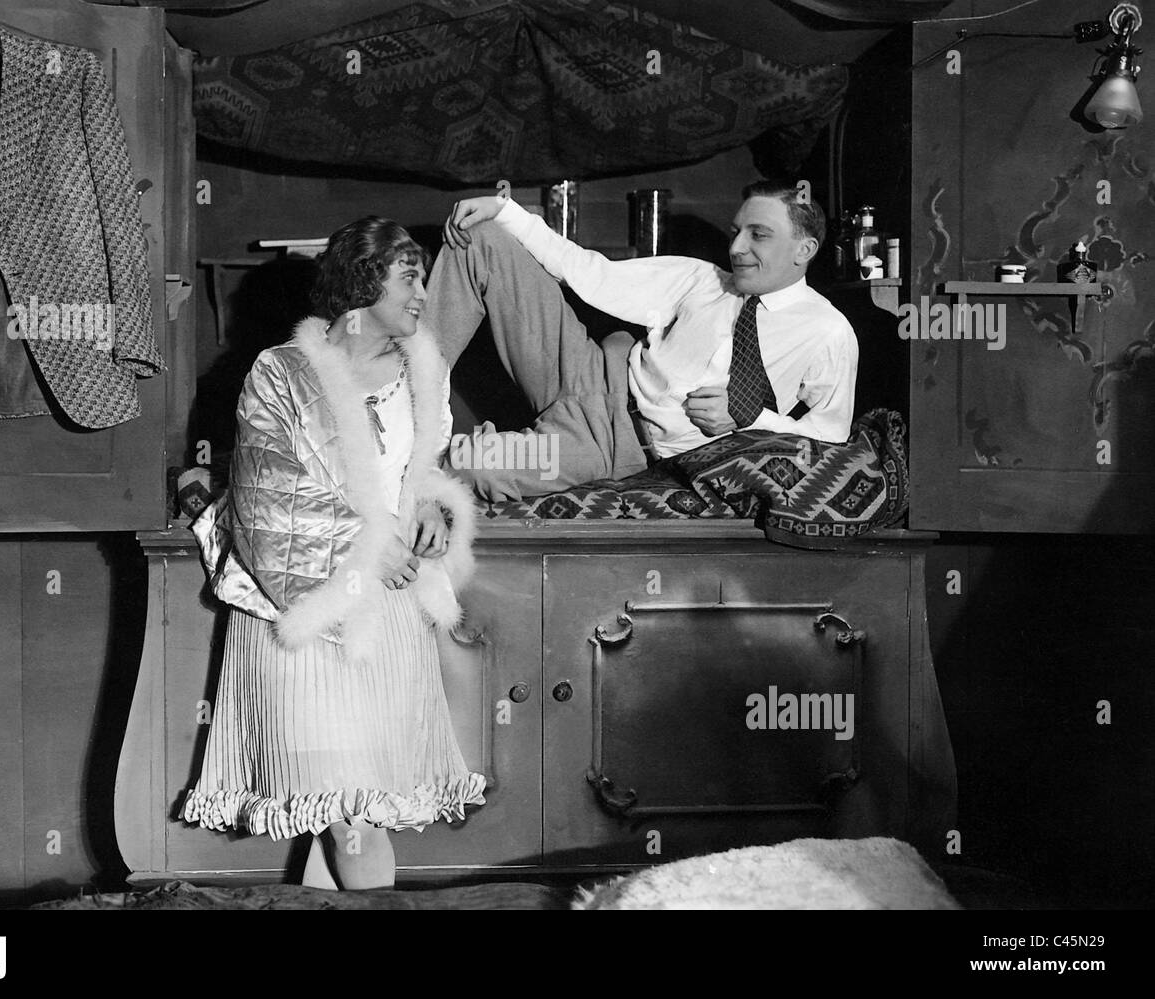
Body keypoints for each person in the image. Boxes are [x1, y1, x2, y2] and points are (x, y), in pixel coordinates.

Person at [183, 217, 486, 890]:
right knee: (349, 809)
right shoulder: (281, 372)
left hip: (391, 613)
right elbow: (265, 500)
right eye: (408, 276)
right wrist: (366, 546)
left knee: (352, 807)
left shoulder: (423, 370)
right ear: (362, 278)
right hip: (311, 610)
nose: (421, 293)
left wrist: (433, 509)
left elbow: (417, 470)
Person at [421, 179, 859, 500]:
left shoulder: (827, 331)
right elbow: (592, 272)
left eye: (758, 235)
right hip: (590, 370)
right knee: (481, 237)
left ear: (804, 249)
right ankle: (396, 400)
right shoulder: (702, 279)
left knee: (471, 467)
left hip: (614, 443)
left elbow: (830, 436)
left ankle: (404, 476)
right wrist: (506, 210)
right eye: (736, 232)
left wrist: (749, 418)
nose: (738, 248)